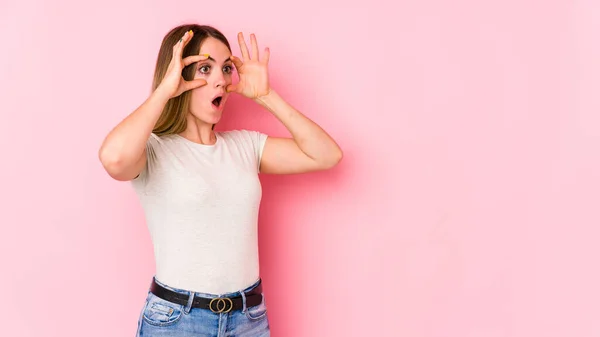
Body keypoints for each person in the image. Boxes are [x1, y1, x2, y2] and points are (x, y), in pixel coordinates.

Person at [98, 23, 342, 336]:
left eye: (226, 68)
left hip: (248, 318)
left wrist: (267, 96)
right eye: (204, 68)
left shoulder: (244, 146)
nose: (222, 81)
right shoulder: (153, 149)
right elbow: (114, 159)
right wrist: (164, 91)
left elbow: (326, 155)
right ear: (179, 76)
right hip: (177, 322)